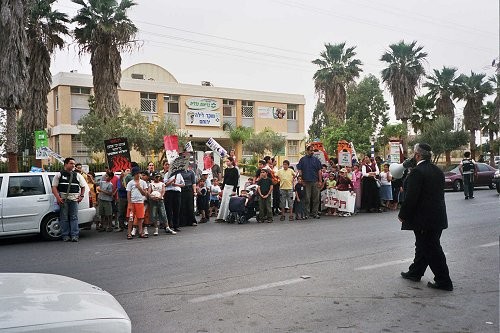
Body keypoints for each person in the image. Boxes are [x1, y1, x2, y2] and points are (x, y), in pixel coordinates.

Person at [398, 143, 453, 291]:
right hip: (437, 217)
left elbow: (411, 197)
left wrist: (403, 215)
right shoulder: (437, 170)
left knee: (431, 249)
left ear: (417, 155)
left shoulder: (417, 172)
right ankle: (415, 272)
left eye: (413, 154)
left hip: (424, 220)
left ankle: (444, 281)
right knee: (423, 246)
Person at [51, 157, 87, 242]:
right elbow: (54, 187)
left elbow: (83, 186)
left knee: (74, 218)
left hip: (74, 200)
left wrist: (81, 196)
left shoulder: (77, 175)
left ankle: (74, 235)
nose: (73, 165)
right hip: (63, 200)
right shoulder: (59, 175)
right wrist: (58, 198)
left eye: (74, 164)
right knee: (64, 218)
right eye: (71, 163)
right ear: (66, 164)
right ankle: (65, 235)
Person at [296, 145, 323, 219]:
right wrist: (302, 180)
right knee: (307, 199)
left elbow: (319, 171)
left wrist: (320, 181)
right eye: (311, 150)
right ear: (307, 151)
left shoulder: (316, 160)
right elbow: (300, 170)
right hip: (306, 182)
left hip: (315, 181)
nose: (312, 152)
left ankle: (315, 213)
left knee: (316, 199)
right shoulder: (302, 160)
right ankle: (306, 213)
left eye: (313, 151)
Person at [126, 168, 149, 239]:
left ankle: (140, 232)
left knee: (140, 218)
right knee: (131, 218)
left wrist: (139, 187)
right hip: (132, 203)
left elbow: (145, 194)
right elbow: (128, 194)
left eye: (138, 173)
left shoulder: (143, 183)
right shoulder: (130, 183)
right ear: (133, 175)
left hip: (140, 202)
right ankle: (129, 233)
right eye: (136, 174)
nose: (137, 175)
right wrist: (129, 203)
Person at [217, 156, 239, 221]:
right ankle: (221, 217)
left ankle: (228, 217)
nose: (226, 162)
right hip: (226, 187)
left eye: (228, 161)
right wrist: (222, 188)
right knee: (223, 201)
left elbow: (236, 180)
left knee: (228, 202)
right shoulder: (226, 169)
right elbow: (225, 179)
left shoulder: (235, 170)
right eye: (226, 161)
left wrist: (234, 190)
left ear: (231, 162)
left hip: (231, 187)